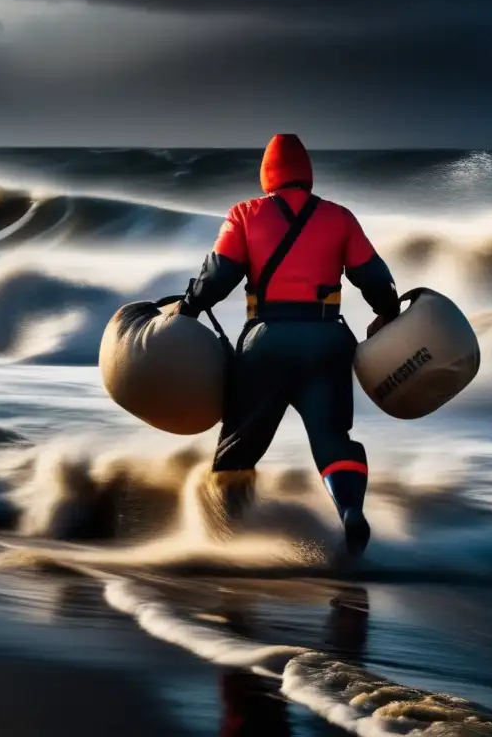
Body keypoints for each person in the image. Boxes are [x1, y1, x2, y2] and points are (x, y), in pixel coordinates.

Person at [172, 133, 401, 556]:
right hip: (328, 343)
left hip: (266, 344)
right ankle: (350, 510)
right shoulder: (340, 218)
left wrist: (186, 310)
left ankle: (226, 536)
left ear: (268, 174)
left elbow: (217, 277)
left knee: (238, 447)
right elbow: (376, 280)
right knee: (333, 439)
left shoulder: (245, 214)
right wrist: (388, 314)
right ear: (307, 174)